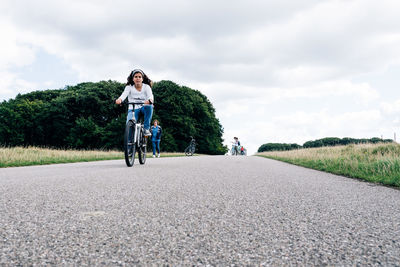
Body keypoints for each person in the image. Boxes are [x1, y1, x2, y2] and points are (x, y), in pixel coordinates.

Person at [115, 69, 154, 136]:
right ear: (133, 79)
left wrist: (150, 101)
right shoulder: (129, 87)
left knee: (150, 106)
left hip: (144, 107)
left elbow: (151, 97)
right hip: (133, 109)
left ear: (142, 79)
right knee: (129, 125)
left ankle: (146, 128)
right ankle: (130, 145)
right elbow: (123, 95)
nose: (137, 78)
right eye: (136, 77)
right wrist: (119, 100)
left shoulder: (146, 87)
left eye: (139, 77)